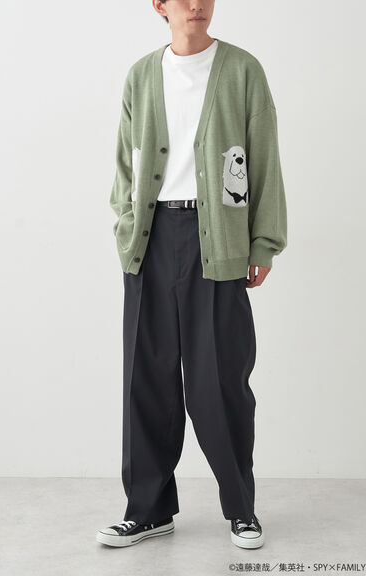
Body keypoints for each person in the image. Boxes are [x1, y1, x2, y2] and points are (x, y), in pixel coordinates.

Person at [96, 0, 287, 550]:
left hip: (218, 239)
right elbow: (125, 164)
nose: (196, 5)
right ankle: (148, 510)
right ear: (160, 5)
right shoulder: (141, 75)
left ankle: (241, 509)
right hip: (150, 240)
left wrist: (263, 242)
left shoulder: (243, 70)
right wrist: (127, 226)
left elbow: (264, 159)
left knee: (220, 381)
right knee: (147, 379)